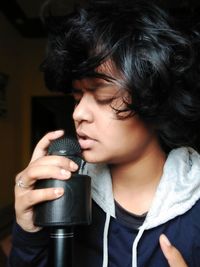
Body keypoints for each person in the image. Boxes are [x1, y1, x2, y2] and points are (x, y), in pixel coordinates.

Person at [8, 0, 200, 266]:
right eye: (77, 97)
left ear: (154, 97)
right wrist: (29, 235)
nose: (78, 114)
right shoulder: (63, 194)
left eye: (101, 94)